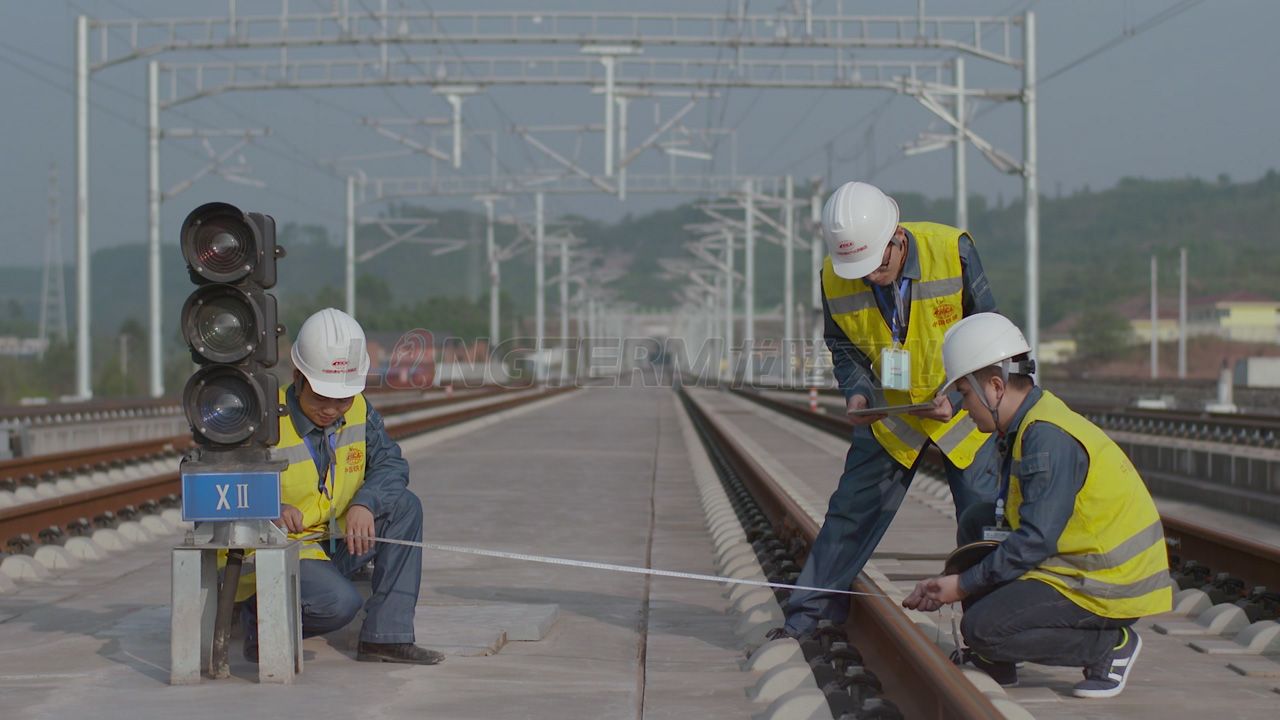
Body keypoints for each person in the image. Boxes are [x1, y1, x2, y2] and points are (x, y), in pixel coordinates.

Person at [772, 181, 1001, 638]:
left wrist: (959, 397)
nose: (871, 276)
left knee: (983, 522)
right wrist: (857, 393)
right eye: (859, 269)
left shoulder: (951, 250)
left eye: (877, 264)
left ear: (897, 237)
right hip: (891, 414)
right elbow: (843, 346)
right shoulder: (834, 274)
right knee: (850, 514)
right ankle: (807, 617)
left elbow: (989, 334)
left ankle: (989, 635)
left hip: (962, 415)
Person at [903, 313, 1173, 698]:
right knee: (978, 521)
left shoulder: (1046, 437)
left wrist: (962, 585)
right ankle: (996, 660)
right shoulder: (1026, 422)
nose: (963, 407)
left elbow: (1035, 539)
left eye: (964, 393)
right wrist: (952, 582)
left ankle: (1108, 646)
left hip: (1106, 583)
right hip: (1073, 561)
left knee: (982, 629)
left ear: (995, 387)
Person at [238, 307, 443, 665]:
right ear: (298, 377)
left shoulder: (360, 410)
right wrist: (269, 507)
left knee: (404, 506)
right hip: (279, 551)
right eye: (321, 397)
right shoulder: (262, 418)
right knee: (339, 604)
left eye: (342, 399)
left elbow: (391, 464)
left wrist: (366, 503)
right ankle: (259, 620)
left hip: (331, 542)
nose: (332, 409)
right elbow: (224, 486)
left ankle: (386, 637)